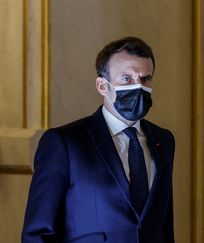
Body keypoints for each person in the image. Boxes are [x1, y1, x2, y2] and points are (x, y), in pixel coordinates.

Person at [22, 37, 175, 243]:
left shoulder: (163, 141)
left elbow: (164, 225)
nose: (139, 87)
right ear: (102, 85)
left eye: (146, 79)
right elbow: (38, 233)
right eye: (126, 79)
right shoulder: (64, 143)